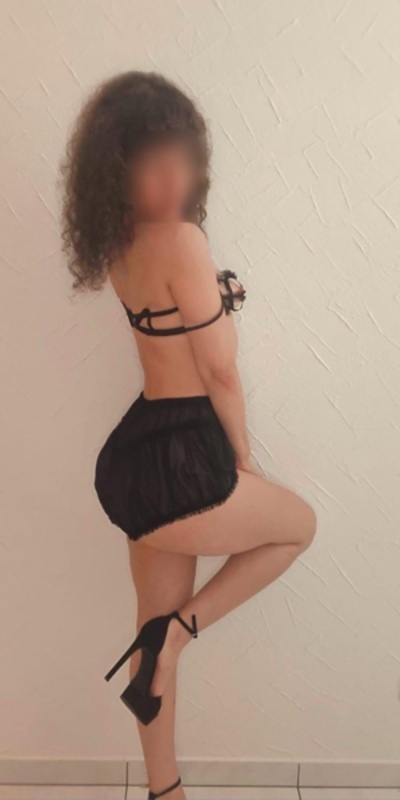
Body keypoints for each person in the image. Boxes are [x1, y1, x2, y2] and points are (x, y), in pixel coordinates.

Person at [59, 70, 317, 800]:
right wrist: (244, 457)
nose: (175, 179)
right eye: (153, 164)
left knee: (148, 633)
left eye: (183, 160)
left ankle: (164, 791)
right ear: (118, 169)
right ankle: (179, 632)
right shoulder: (181, 239)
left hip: (138, 452)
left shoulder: (120, 245)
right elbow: (220, 370)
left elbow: (173, 331)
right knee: (298, 526)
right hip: (186, 455)